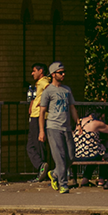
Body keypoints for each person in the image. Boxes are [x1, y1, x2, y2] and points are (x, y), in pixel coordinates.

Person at [36, 61, 79, 193]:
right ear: (53, 74)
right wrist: (41, 131)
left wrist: (78, 122)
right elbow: (42, 112)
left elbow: (72, 107)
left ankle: (54, 174)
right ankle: (63, 184)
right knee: (59, 157)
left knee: (71, 156)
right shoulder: (48, 91)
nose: (63, 74)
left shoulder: (66, 90)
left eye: (64, 72)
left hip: (66, 127)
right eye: (60, 72)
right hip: (53, 127)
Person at [25, 62, 53, 182]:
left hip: (38, 116)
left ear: (40, 71)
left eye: (34, 71)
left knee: (35, 144)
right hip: (35, 114)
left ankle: (41, 167)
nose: (32, 73)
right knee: (33, 145)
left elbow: (50, 90)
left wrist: (43, 103)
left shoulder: (43, 82)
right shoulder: (39, 83)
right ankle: (42, 168)